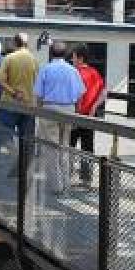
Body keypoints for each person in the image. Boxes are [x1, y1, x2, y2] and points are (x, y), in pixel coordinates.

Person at [32, 41, 85, 193]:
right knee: (65, 146)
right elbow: (80, 93)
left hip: (49, 108)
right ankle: (67, 183)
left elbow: (38, 94)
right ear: (65, 54)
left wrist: (39, 110)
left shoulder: (46, 69)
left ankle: (56, 185)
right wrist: (77, 111)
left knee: (51, 147)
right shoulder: (72, 70)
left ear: (51, 53)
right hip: (68, 108)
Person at [0, 33, 40, 177]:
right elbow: (38, 82)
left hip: (10, 103)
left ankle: (17, 157)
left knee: (4, 134)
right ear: (26, 44)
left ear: (15, 43)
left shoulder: (9, 58)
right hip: (29, 105)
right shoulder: (34, 59)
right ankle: (22, 169)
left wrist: (13, 92)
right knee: (26, 138)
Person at [71, 45, 106, 187]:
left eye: (73, 57)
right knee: (87, 148)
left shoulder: (75, 73)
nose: (72, 59)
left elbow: (77, 94)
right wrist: (94, 107)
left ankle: (66, 177)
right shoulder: (94, 72)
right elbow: (104, 92)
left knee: (69, 146)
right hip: (90, 117)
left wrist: (77, 111)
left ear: (80, 58)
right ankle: (86, 179)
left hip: (75, 115)